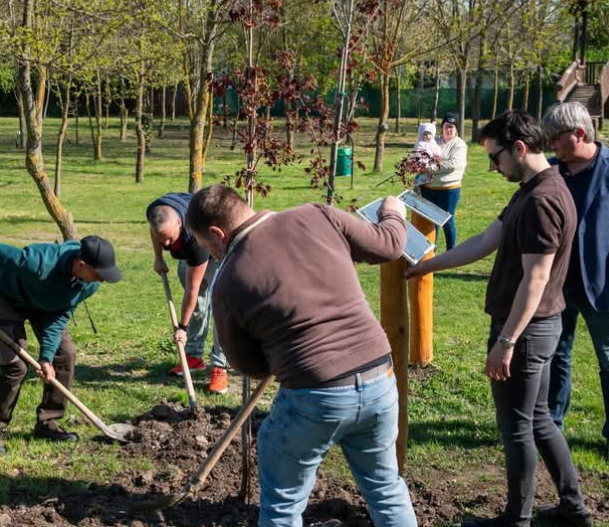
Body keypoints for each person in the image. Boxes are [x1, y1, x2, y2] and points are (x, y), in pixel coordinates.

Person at [186, 184, 417, 527]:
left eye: (207, 246)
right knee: (385, 487)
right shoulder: (317, 215)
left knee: (282, 505)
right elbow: (389, 244)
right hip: (379, 380)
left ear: (218, 233)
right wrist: (393, 211)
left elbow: (246, 364)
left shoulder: (228, 281)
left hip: (314, 396)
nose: (212, 255)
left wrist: (280, 350)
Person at [407, 111, 591, 527]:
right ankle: (574, 508)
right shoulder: (535, 187)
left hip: (525, 330)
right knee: (539, 419)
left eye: (496, 158)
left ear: (520, 149)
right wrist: (427, 266)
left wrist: (506, 342)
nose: (492, 167)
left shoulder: (543, 201)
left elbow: (536, 278)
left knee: (517, 427)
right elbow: (486, 240)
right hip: (538, 326)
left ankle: (517, 519)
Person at [0, 235, 122, 454]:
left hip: (47, 305)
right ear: (80, 265)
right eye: (99, 275)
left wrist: (46, 358)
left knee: (64, 356)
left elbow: (59, 316)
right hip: (9, 298)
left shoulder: (88, 284)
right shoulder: (38, 262)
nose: (101, 281)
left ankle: (48, 423)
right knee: (15, 367)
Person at [542, 102, 609, 468]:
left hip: (604, 286)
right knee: (557, 357)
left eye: (555, 138)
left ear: (579, 135)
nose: (550, 144)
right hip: (557, 286)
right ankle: (552, 426)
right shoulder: (551, 172)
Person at [146, 193, 228, 394]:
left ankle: (220, 366)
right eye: (161, 239)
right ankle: (193, 356)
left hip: (220, 249)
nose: (166, 244)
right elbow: (155, 229)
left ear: (179, 223)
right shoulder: (156, 211)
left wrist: (181, 327)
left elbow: (193, 288)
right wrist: (158, 258)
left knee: (219, 307)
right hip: (192, 250)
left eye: (169, 238)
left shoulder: (194, 237)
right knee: (198, 304)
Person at [417, 113, 468, 250]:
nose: (449, 130)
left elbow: (453, 164)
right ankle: (429, 251)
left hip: (449, 189)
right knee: (431, 221)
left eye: (452, 127)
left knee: (447, 221)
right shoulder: (434, 141)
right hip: (428, 188)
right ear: (442, 127)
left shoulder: (460, 145)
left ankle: (451, 252)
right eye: (446, 126)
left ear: (456, 129)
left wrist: (430, 168)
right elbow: (420, 153)